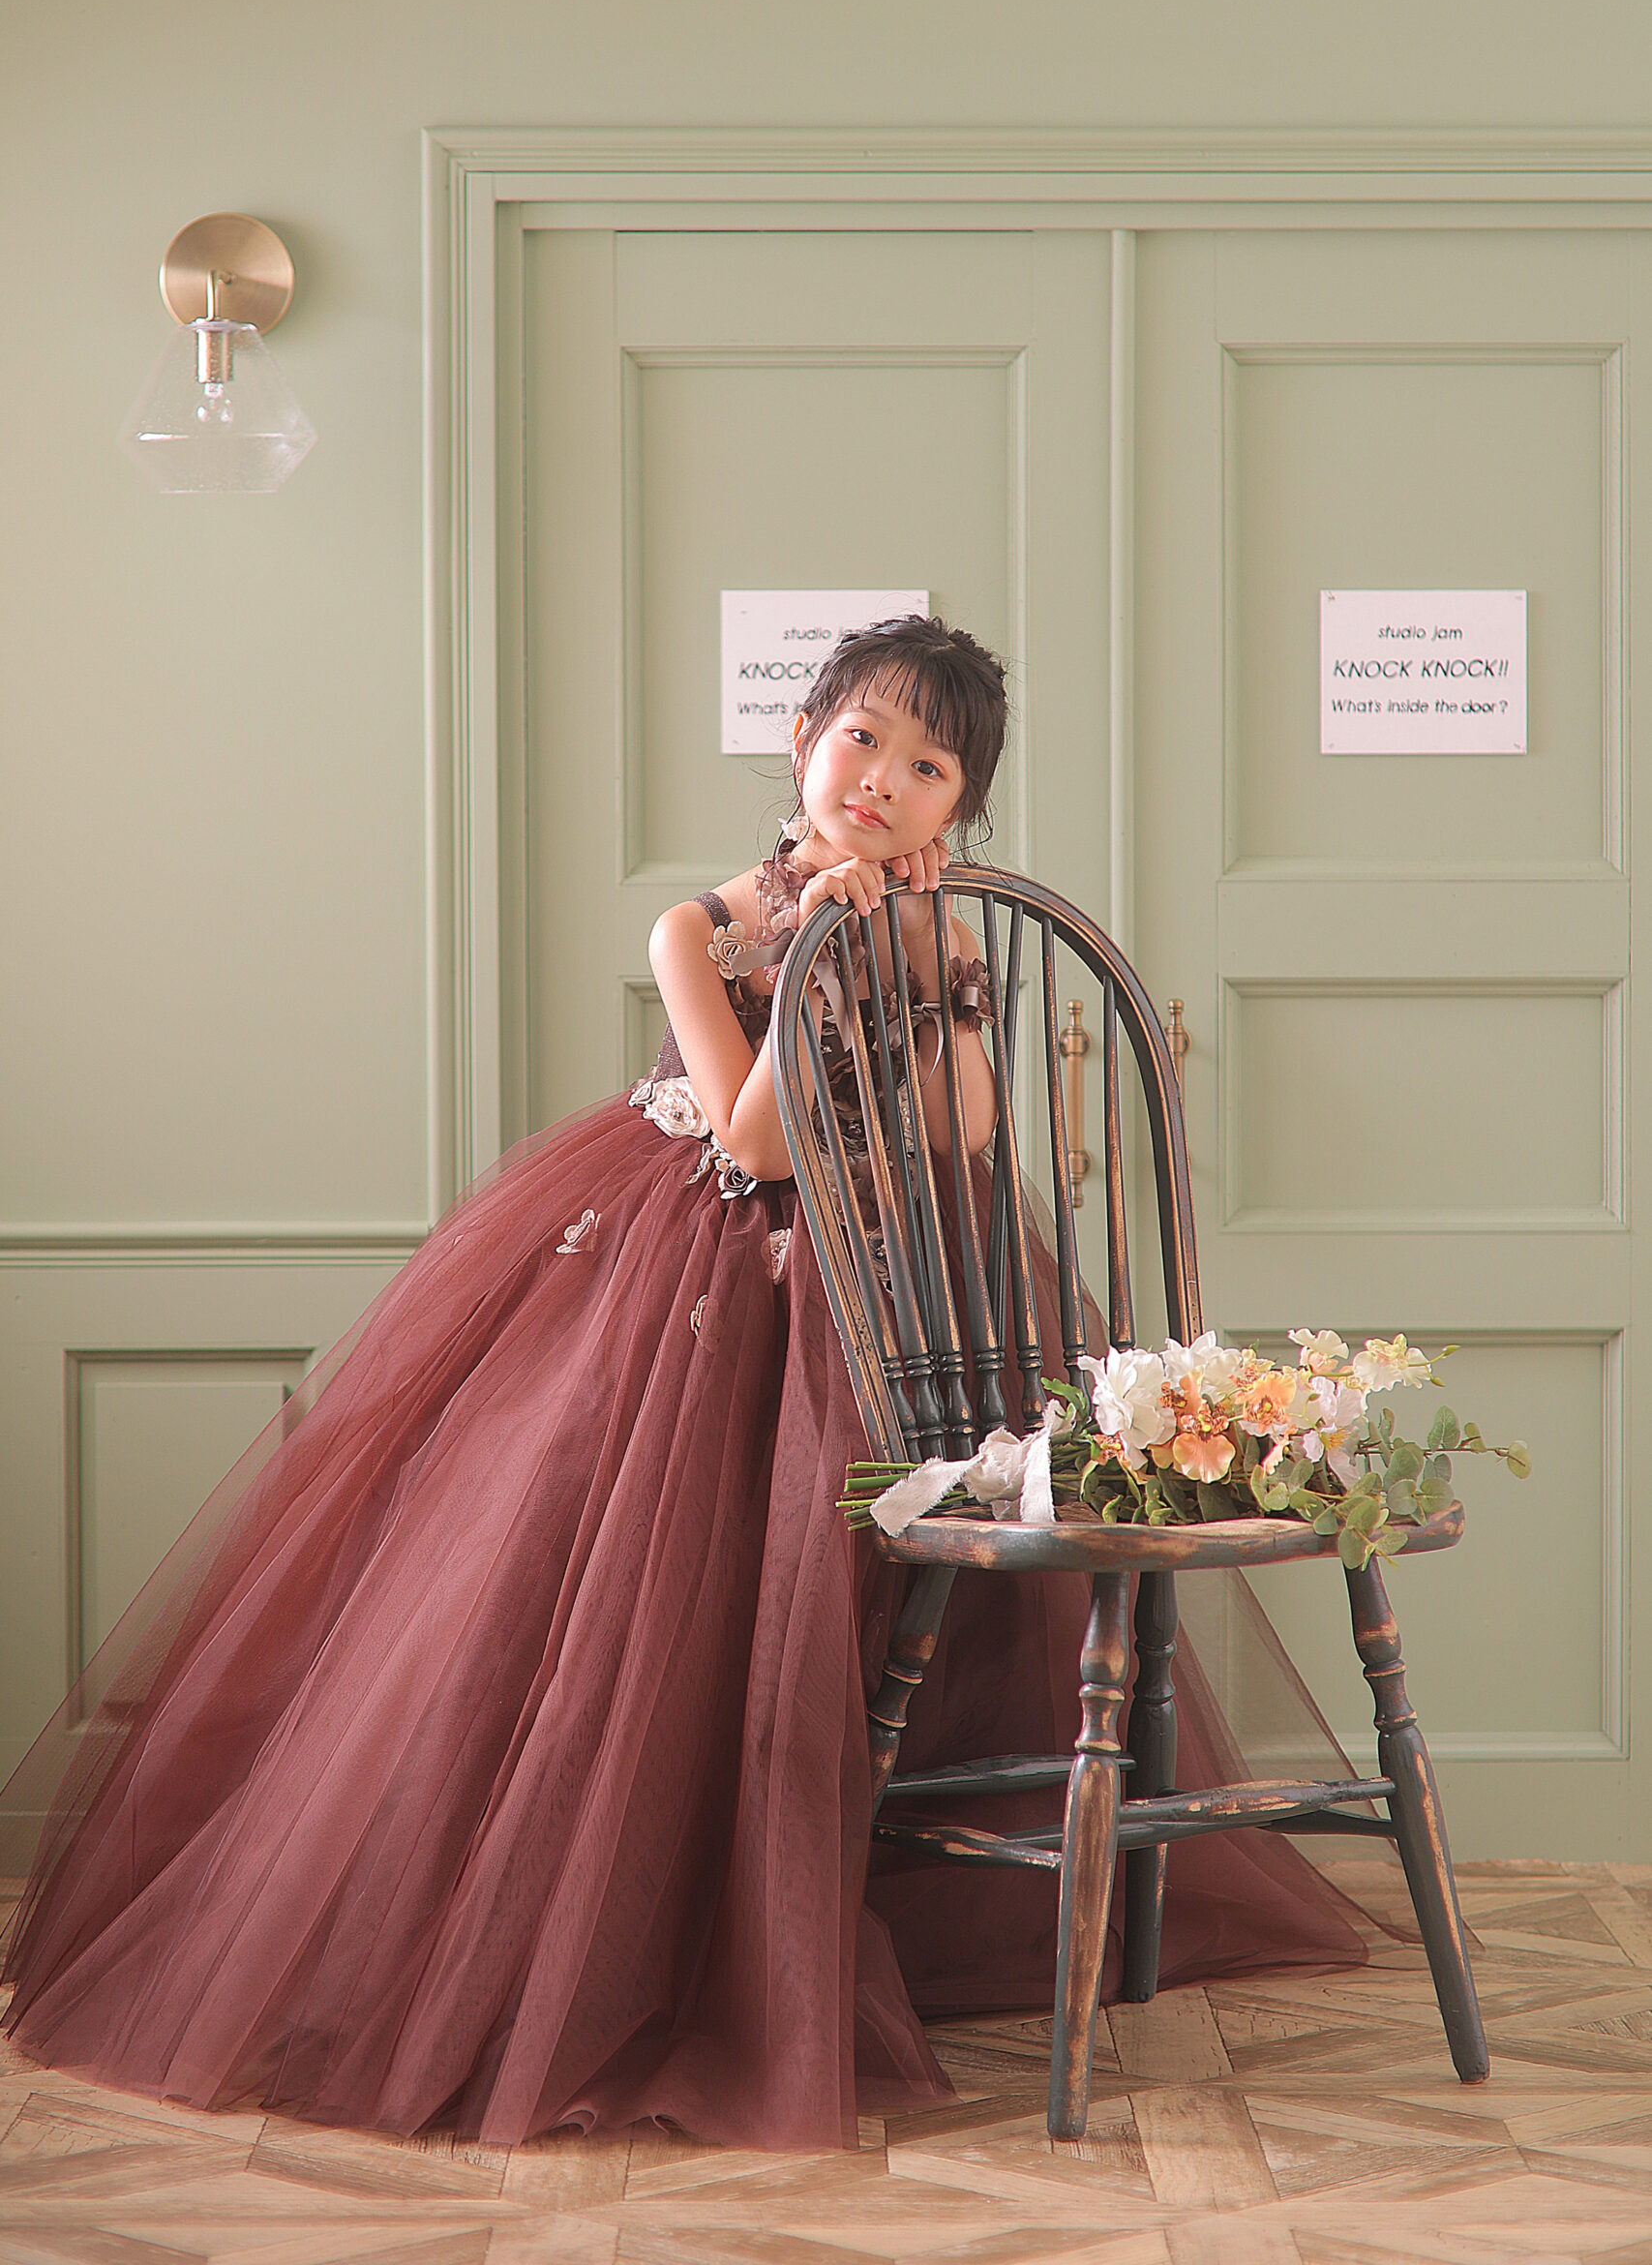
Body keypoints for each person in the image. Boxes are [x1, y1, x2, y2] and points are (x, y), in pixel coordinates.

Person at [1, 617, 1371, 2153]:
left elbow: (967, 1132)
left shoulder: (933, 926)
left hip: (902, 1290)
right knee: (672, 1591)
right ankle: (630, 1939)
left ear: (959, 808)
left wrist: (924, 966)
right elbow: (755, 1141)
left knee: (895, 1584)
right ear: (803, 740)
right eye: (864, 739)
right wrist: (824, 962)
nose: (885, 781)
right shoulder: (695, 928)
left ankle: (870, 1903)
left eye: (931, 769)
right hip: (710, 1272)